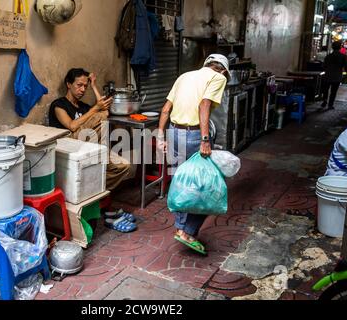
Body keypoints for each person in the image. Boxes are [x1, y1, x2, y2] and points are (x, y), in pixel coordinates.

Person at [156, 54, 230, 255]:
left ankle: (181, 227)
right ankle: (187, 231)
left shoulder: (184, 76)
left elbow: (165, 109)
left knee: (182, 181)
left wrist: (161, 137)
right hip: (194, 136)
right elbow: (204, 105)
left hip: (173, 133)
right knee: (207, 186)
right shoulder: (219, 78)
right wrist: (205, 139)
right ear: (223, 70)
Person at [49, 68, 136, 232]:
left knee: (123, 166)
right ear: (68, 84)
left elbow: (104, 110)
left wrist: (94, 86)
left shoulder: (83, 106)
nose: (82, 89)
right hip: (69, 147)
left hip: (90, 148)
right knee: (100, 116)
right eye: (79, 85)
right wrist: (95, 110)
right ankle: (98, 201)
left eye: (85, 86)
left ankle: (94, 188)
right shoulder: (59, 105)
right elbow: (72, 126)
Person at [321, 41, 347, 110]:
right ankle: (330, 105)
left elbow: (324, 66)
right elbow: (346, 66)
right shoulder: (343, 56)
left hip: (327, 76)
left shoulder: (328, 56)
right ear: (340, 48)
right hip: (337, 76)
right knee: (333, 92)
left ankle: (325, 100)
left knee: (325, 90)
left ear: (332, 47)